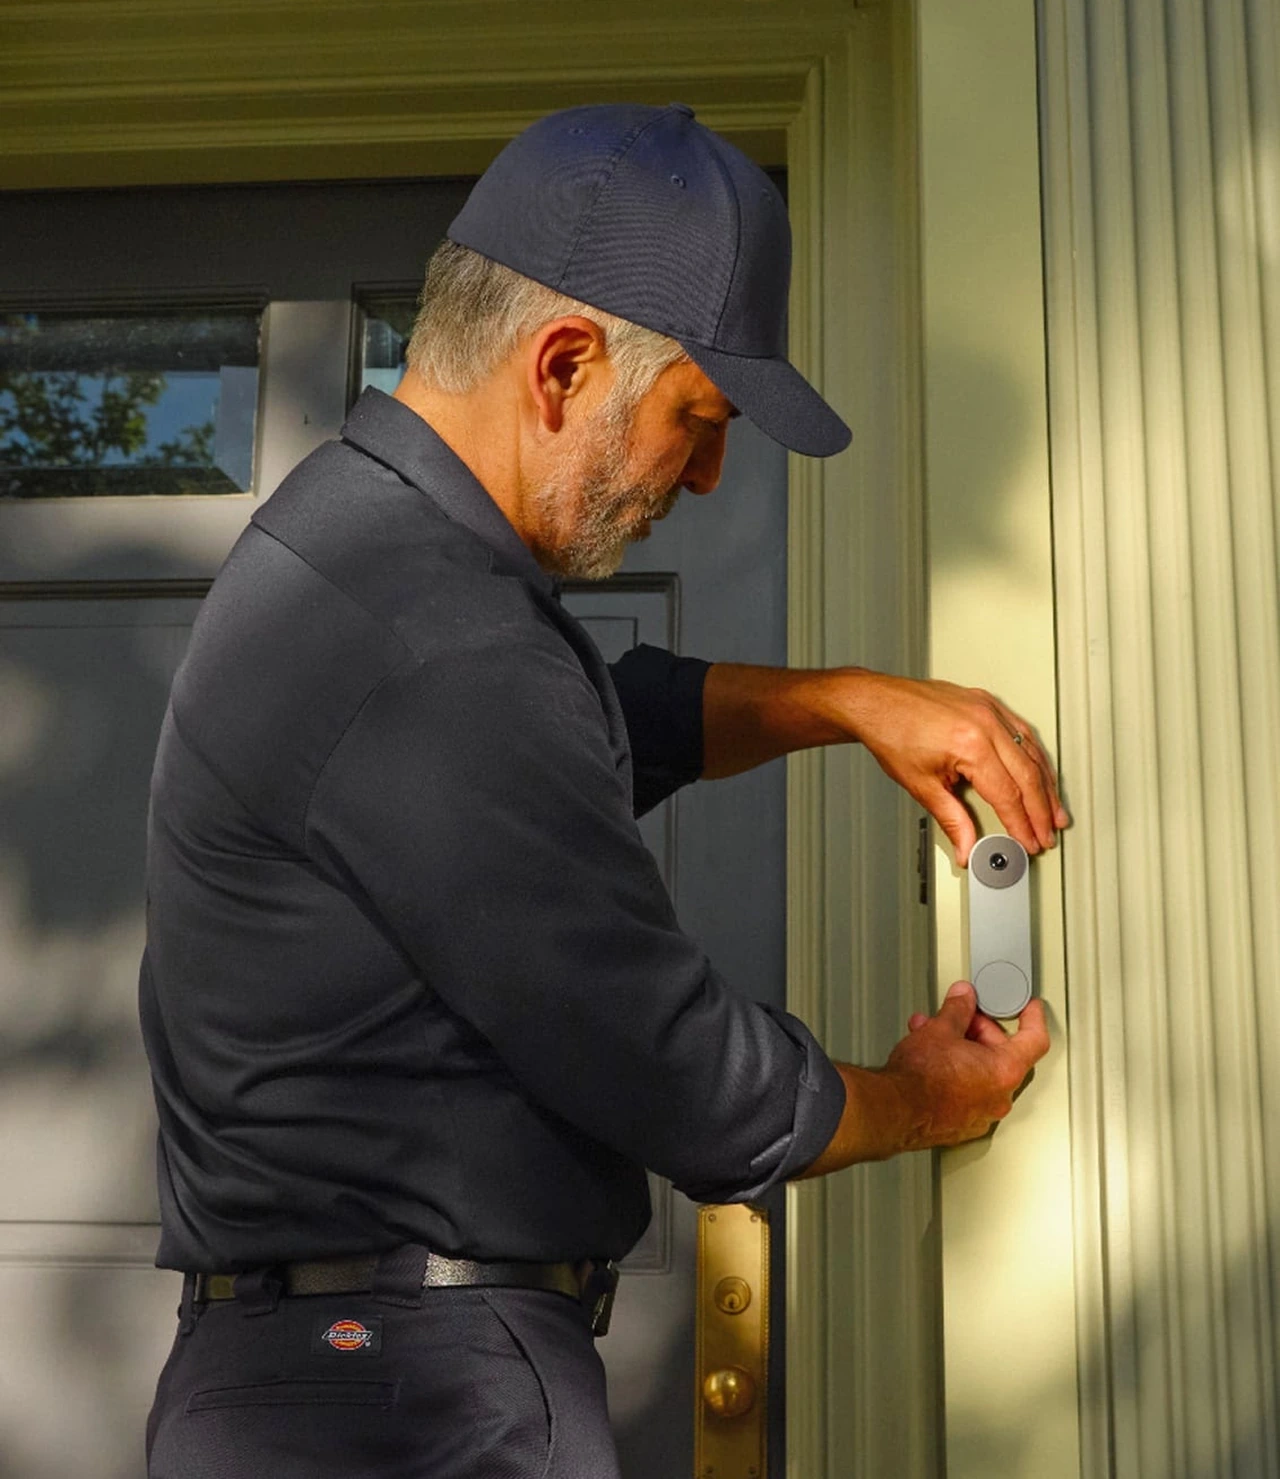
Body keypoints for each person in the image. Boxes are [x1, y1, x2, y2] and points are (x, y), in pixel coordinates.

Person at [141, 103, 1063, 1479]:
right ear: (565, 365)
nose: (710, 474)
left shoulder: (363, 556)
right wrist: (935, 1098)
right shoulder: (437, 638)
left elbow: (568, 748)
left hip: (333, 1375)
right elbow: (689, 1079)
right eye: (700, 420)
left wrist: (841, 701)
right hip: (402, 1407)